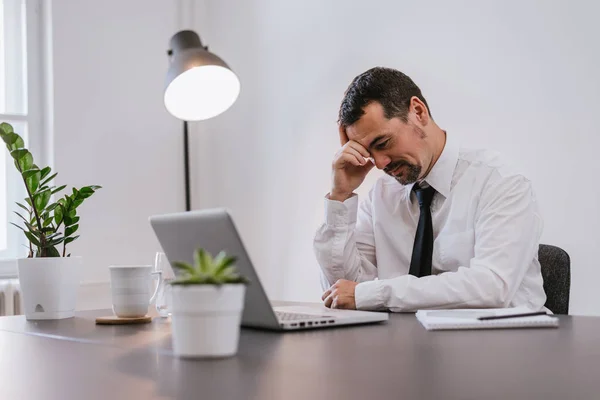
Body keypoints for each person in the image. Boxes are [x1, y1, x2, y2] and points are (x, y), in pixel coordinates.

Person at [314, 67, 546, 312]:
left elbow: (491, 287)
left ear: (418, 111)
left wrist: (376, 293)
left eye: (383, 143)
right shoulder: (381, 195)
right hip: (402, 344)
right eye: (369, 153)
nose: (380, 163)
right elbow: (343, 289)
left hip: (503, 344)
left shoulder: (500, 181)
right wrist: (340, 197)